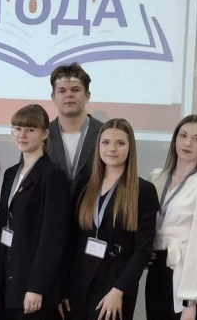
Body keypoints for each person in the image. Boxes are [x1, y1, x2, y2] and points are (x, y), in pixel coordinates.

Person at [62, 119, 158, 320]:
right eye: (105, 142)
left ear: (130, 147)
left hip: (114, 290)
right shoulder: (84, 186)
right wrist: (63, 289)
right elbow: (72, 242)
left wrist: (119, 290)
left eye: (120, 143)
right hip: (78, 286)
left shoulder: (143, 191)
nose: (111, 149)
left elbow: (143, 250)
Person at [145, 115, 197, 320]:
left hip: (186, 273)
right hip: (158, 270)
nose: (187, 143)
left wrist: (191, 300)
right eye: (183, 135)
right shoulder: (157, 177)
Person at [0, 104, 70, 320]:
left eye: (30, 129)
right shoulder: (10, 173)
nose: (22, 135)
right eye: (18, 128)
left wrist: (37, 287)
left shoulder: (52, 175)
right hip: (7, 284)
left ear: (44, 134)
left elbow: (52, 237)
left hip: (32, 286)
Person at [47, 63, 103, 204]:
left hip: (94, 213)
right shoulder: (42, 135)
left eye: (75, 90)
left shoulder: (105, 133)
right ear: (53, 97)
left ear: (87, 96)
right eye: (62, 91)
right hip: (53, 214)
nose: (69, 95)